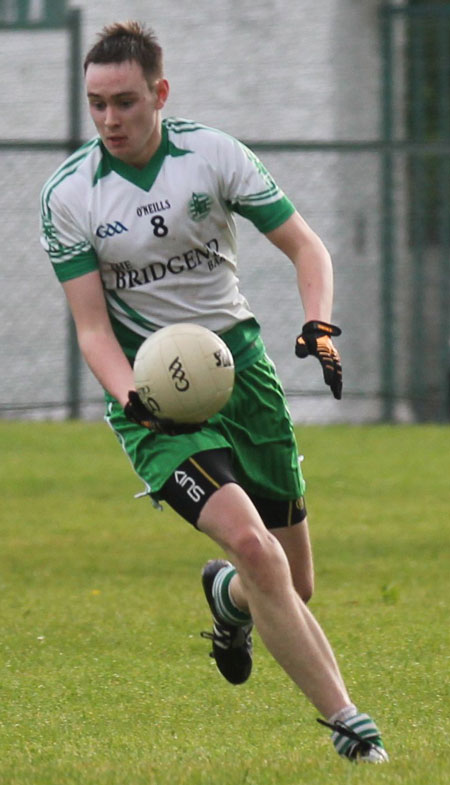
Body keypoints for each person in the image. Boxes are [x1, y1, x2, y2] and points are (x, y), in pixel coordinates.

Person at [40, 21, 388, 764]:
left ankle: (227, 598)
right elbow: (93, 330)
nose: (110, 120)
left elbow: (305, 245)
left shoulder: (213, 155)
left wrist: (318, 322)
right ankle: (352, 725)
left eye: (126, 103)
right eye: (97, 104)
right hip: (153, 399)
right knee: (255, 546)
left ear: (160, 93)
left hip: (242, 374)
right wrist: (130, 395)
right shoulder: (69, 194)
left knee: (291, 583)